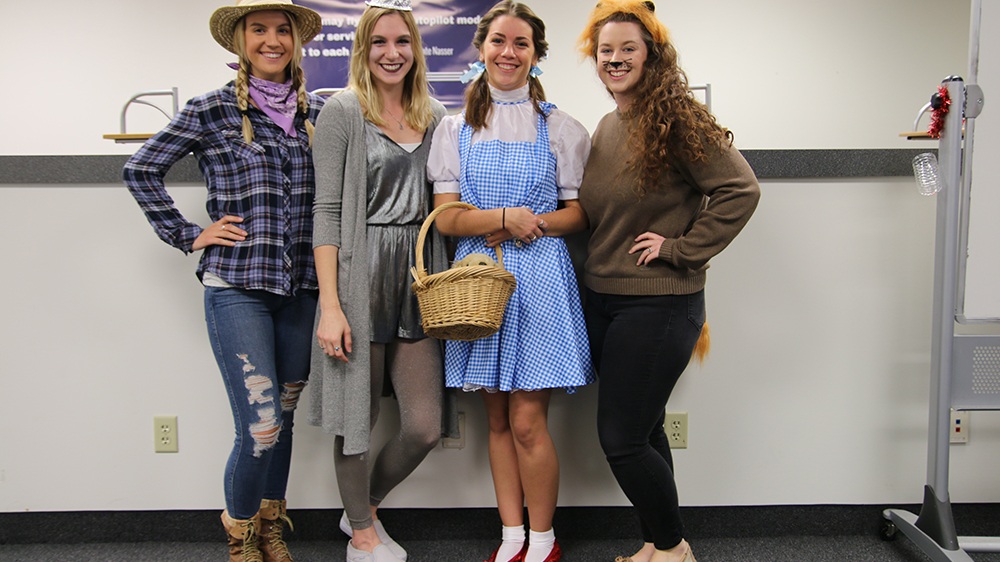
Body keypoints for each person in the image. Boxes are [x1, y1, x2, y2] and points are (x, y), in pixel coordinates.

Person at [122, 1, 323, 560]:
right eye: (258, 30)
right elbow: (141, 168)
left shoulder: (319, 112)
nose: (272, 40)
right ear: (240, 41)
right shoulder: (210, 109)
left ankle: (270, 529)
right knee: (261, 426)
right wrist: (189, 234)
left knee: (284, 419)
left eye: (282, 30)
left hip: (304, 290)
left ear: (296, 41)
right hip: (237, 288)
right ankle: (241, 540)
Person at [576, 2, 761, 562]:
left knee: (622, 440)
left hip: (658, 305)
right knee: (646, 430)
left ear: (651, 55)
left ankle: (673, 548)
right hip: (606, 300)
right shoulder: (608, 125)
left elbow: (740, 190)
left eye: (627, 49)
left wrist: (680, 250)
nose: (615, 59)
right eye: (606, 50)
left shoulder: (679, 119)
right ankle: (657, 547)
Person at [426, 2, 594, 561]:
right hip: (479, 282)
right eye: (499, 41)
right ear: (481, 49)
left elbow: (578, 215)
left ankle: (544, 540)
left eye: (521, 43)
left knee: (526, 421)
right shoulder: (455, 129)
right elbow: (446, 218)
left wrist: (531, 222)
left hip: (540, 276)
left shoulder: (561, 128)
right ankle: (512, 536)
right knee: (496, 419)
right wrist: (501, 218)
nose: (508, 52)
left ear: (536, 55)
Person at [308, 1, 449, 561]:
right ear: (362, 49)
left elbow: (449, 200)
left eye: (402, 41)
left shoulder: (436, 115)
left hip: (417, 280)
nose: (392, 53)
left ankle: (359, 508)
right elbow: (325, 211)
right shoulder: (343, 110)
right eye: (379, 42)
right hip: (357, 280)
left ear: (416, 48)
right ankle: (364, 537)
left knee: (424, 427)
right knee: (356, 422)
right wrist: (331, 306)